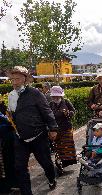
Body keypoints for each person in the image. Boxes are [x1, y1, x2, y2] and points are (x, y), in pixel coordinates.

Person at [6, 66, 58, 195]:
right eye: (12, 79)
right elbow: (13, 115)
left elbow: (47, 111)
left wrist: (53, 128)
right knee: (20, 167)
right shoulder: (11, 95)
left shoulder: (35, 93)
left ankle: (51, 178)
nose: (14, 82)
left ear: (25, 79)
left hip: (38, 136)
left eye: (17, 79)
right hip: (20, 138)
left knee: (45, 163)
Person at [49, 86, 77, 175]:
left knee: (67, 147)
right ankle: (60, 165)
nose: (55, 98)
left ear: (61, 96)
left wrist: (68, 113)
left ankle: (66, 164)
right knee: (58, 148)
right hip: (55, 129)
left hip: (66, 128)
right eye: (54, 96)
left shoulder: (66, 102)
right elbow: (47, 115)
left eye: (57, 96)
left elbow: (73, 111)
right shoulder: (50, 104)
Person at [0, 101, 17, 193]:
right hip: (5, 139)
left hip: (6, 140)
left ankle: (9, 185)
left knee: (8, 163)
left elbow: (9, 122)